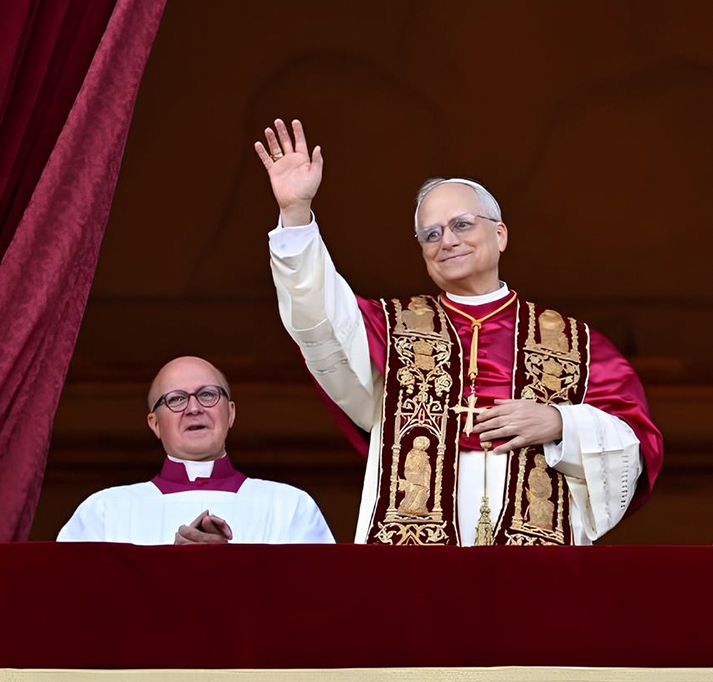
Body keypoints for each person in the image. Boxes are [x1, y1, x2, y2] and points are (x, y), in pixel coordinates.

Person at [256, 118, 663, 546]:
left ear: (500, 234)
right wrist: (295, 213)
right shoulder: (391, 330)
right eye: (431, 234)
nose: (446, 240)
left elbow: (635, 446)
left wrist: (561, 422)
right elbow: (318, 315)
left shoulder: (575, 343)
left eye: (462, 225)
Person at [57, 356, 335, 544]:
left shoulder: (289, 506)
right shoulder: (104, 511)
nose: (194, 408)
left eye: (207, 394)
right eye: (176, 399)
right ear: (154, 424)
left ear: (231, 413)